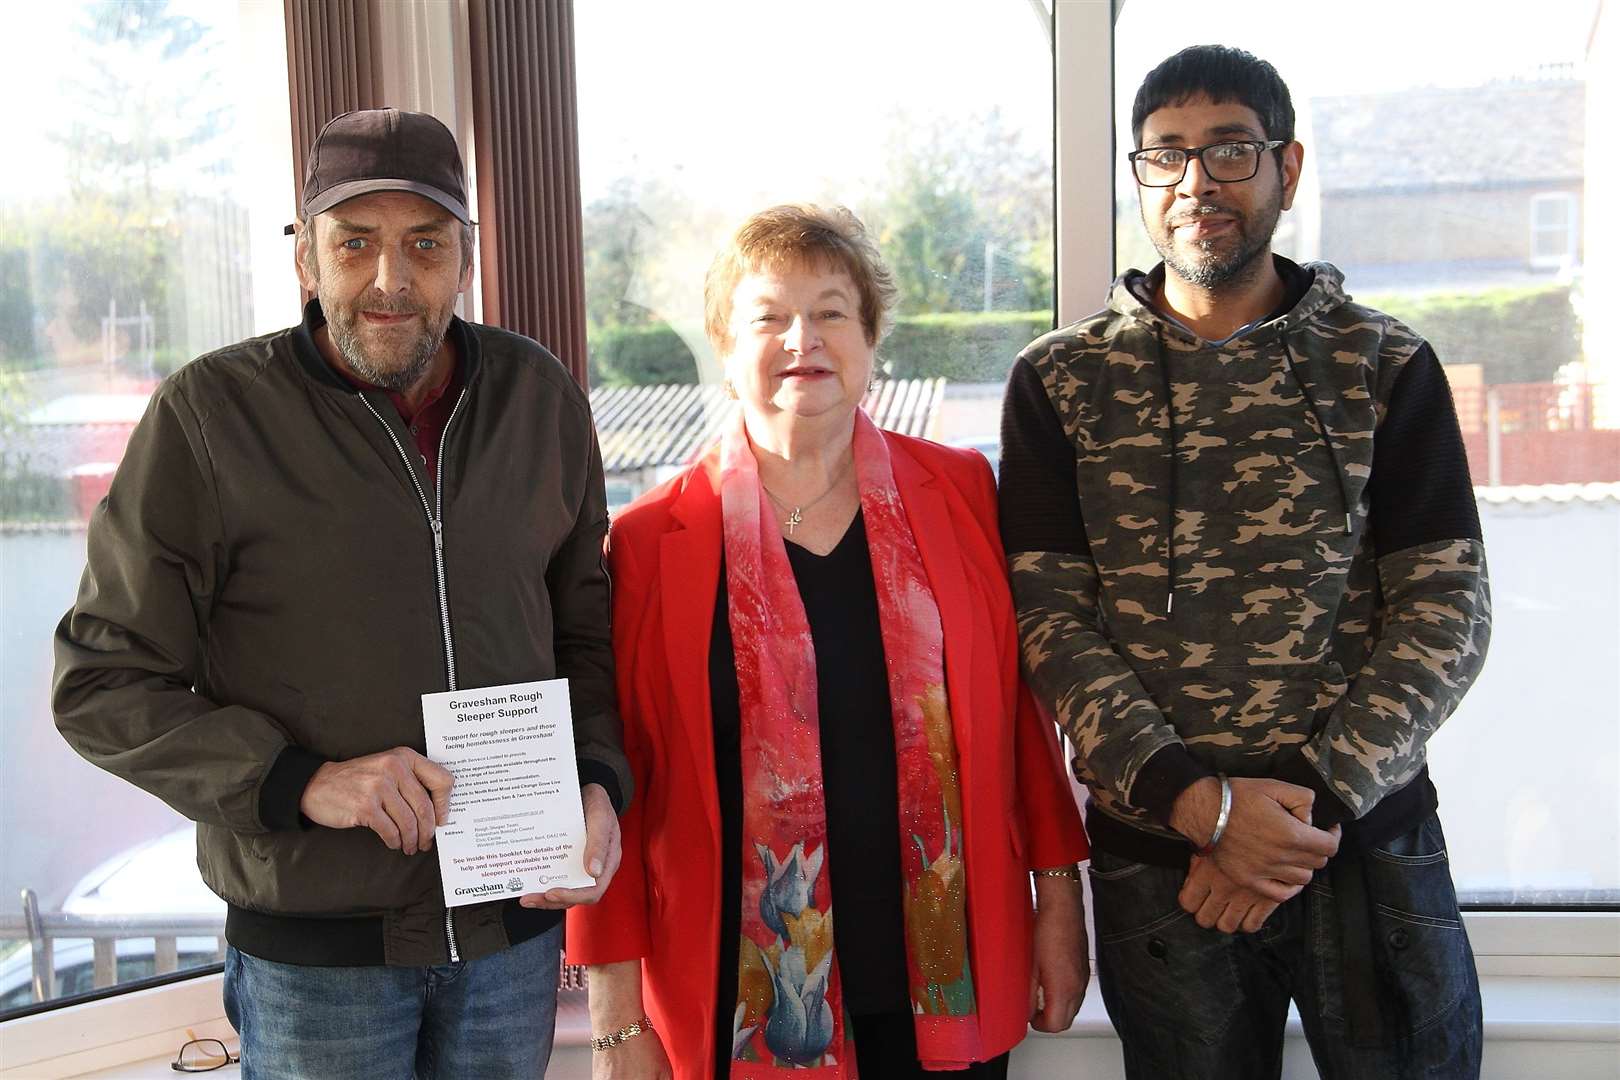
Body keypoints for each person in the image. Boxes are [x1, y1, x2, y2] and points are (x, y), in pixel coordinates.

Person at [52, 108, 630, 1078]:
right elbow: (101, 685)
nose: (391, 280)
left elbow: (584, 632)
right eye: (355, 243)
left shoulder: (541, 399)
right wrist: (300, 780)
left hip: (512, 943)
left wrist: (600, 783)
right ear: (307, 260)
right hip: (318, 967)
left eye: (425, 245)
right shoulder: (210, 421)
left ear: (465, 258)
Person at [998, 45, 1490, 1080]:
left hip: (1363, 845)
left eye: (1230, 152)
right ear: (1140, 175)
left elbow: (1447, 612)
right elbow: (1047, 623)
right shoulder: (1061, 382)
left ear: (1286, 168)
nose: (1196, 185)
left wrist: (1295, 815)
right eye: (1166, 157)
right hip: (1163, 866)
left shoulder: (1384, 365)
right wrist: (1202, 809)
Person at [568, 204, 1089, 1079]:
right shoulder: (654, 541)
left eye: (831, 311)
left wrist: (1060, 897)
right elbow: (618, 787)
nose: (801, 337)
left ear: (870, 338)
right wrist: (618, 1023)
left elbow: (1019, 720)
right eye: (768, 316)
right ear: (726, 349)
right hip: (740, 998)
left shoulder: (962, 492)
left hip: (942, 971)